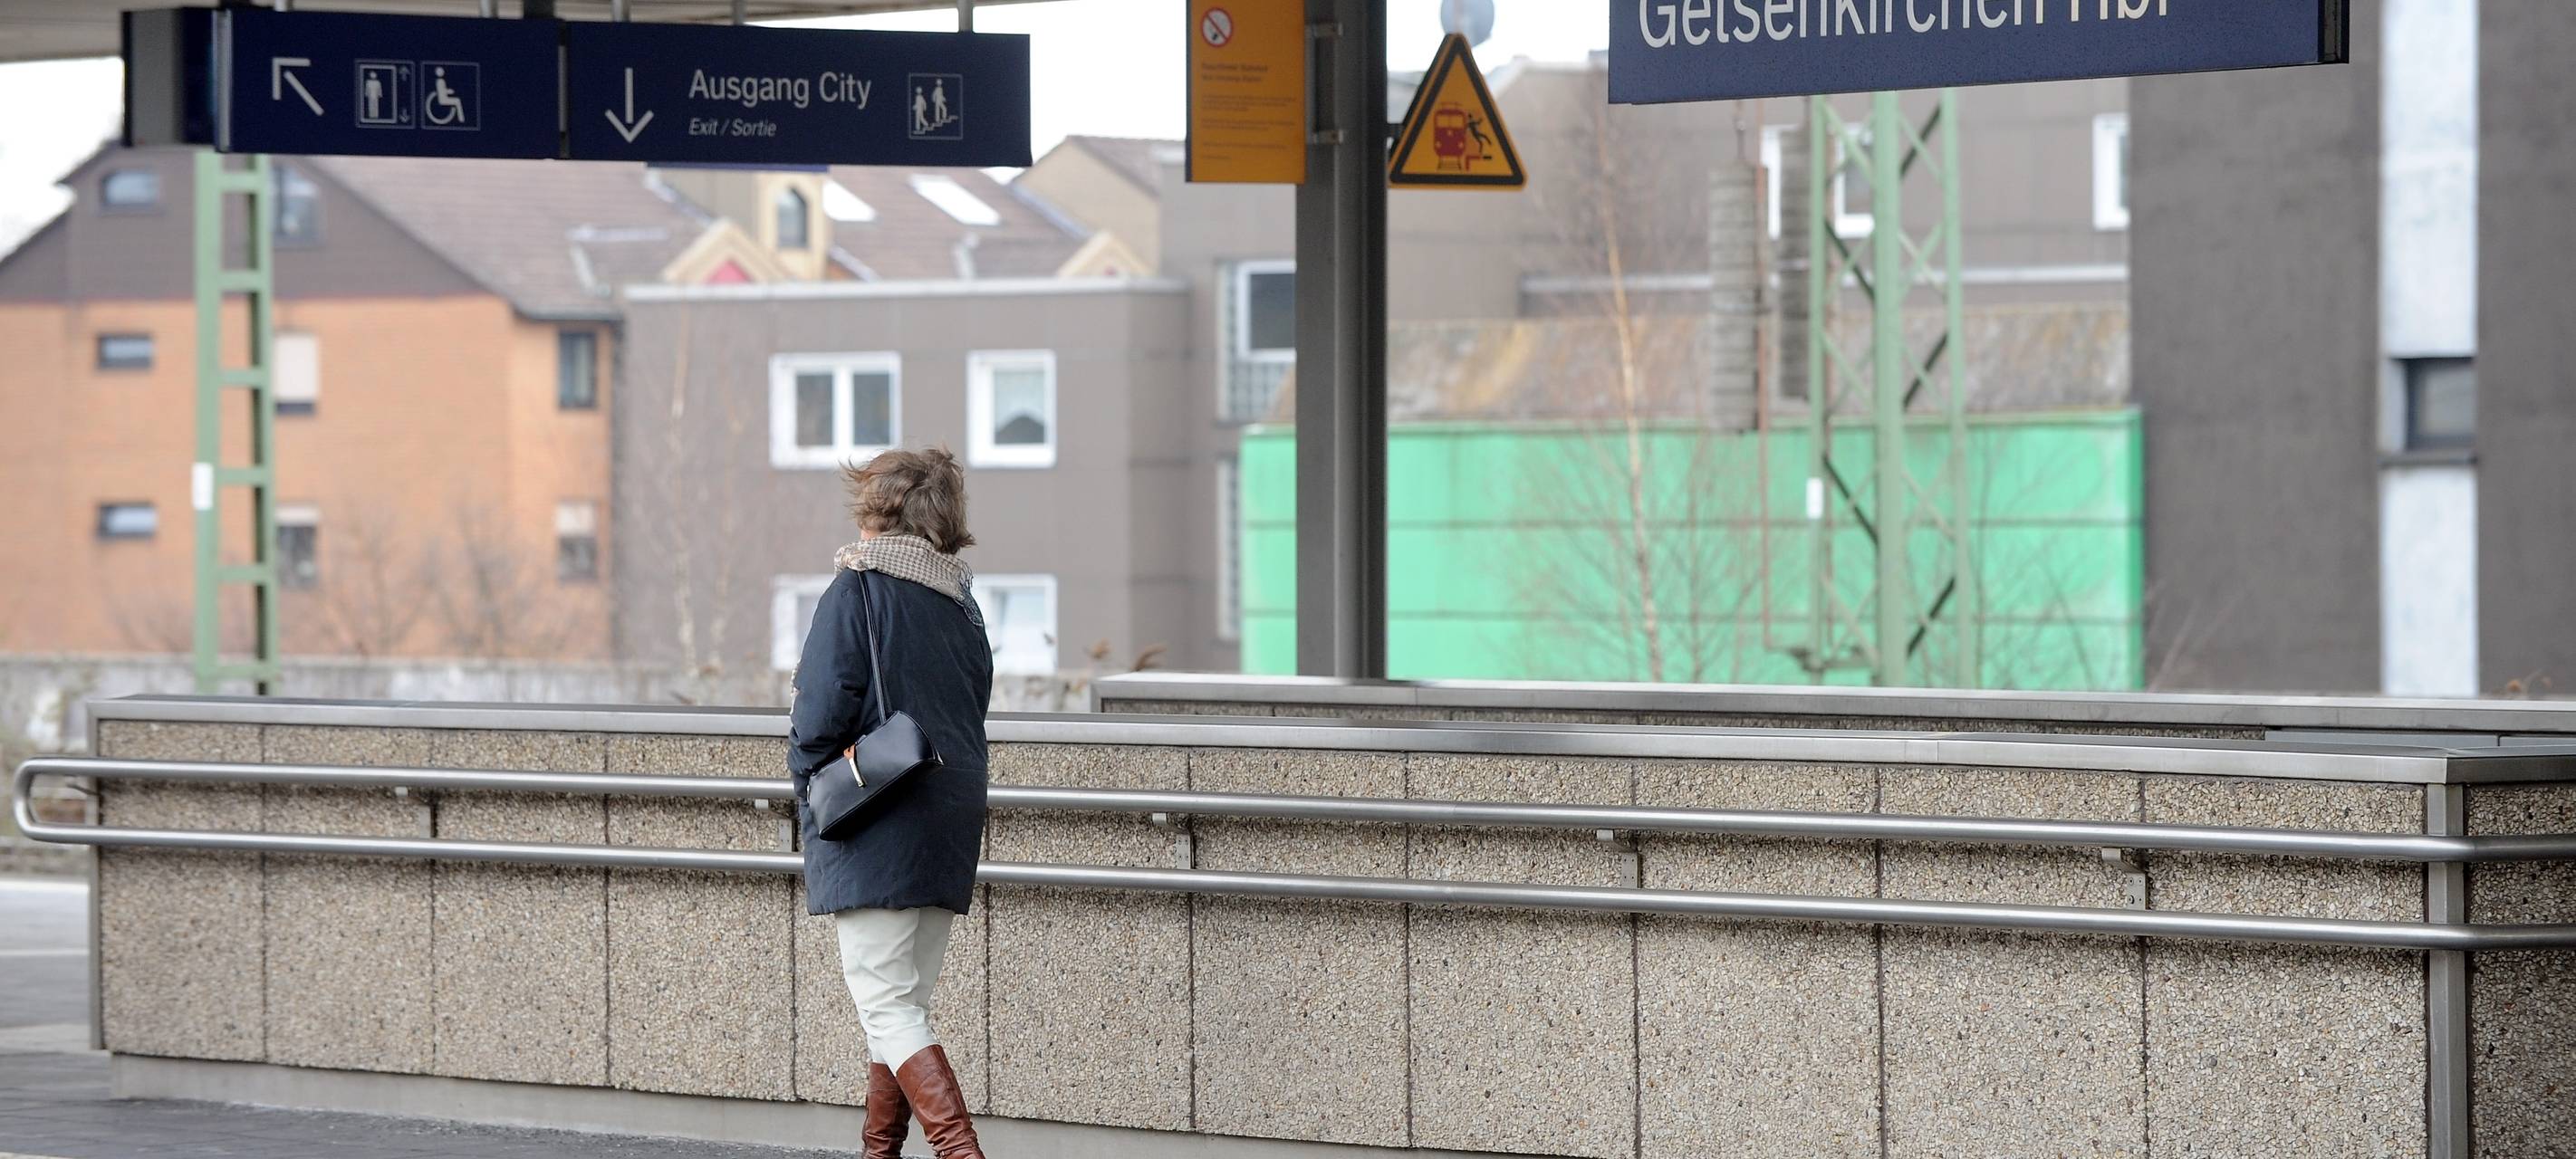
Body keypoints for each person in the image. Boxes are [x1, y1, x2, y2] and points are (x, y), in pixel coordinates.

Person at [788, 447, 994, 1159]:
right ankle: (879, 1153)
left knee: (887, 1005)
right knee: (901, 1008)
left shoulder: (859, 589)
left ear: (877, 510)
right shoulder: (960, 604)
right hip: (950, 820)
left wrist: (814, 789)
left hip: (879, 820)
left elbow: (818, 715)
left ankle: (960, 1152)